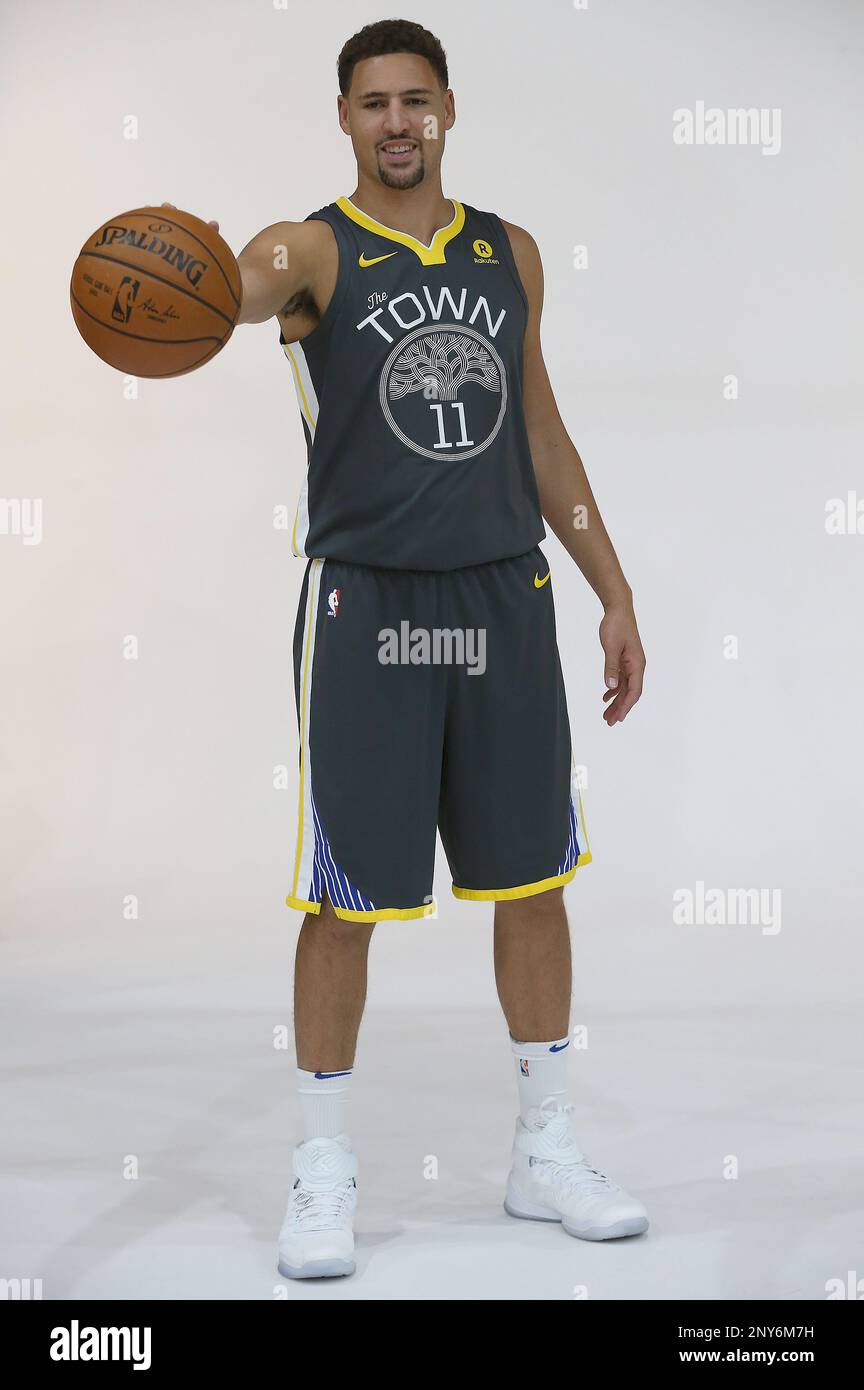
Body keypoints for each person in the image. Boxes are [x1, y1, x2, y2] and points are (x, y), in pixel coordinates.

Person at [216, 17, 647, 1279]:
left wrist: (612, 589)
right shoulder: (307, 250)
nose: (396, 122)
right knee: (346, 896)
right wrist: (186, 264)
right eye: (372, 103)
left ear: (447, 107)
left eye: (415, 100)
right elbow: (229, 291)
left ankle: (545, 1149)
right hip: (366, 607)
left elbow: (544, 439)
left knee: (532, 879)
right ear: (341, 119)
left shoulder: (508, 253)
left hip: (505, 596)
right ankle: (324, 1165)